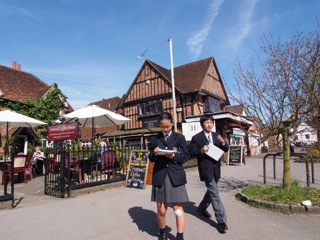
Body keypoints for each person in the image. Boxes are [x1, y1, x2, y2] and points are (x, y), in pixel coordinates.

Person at [148, 112, 190, 240]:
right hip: (160, 174)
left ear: (172, 123)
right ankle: (162, 232)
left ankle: (180, 236)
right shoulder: (155, 139)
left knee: (177, 207)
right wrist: (155, 153)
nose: (165, 129)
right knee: (161, 209)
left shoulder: (179, 138)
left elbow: (185, 156)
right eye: (162, 127)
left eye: (167, 126)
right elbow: (150, 157)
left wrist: (174, 156)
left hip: (175, 175)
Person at [188, 115, 229, 233]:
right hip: (206, 169)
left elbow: (226, 149)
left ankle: (201, 208)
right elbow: (191, 152)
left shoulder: (217, 135)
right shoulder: (197, 138)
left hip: (217, 168)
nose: (209, 124)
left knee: (211, 191)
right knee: (215, 193)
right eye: (207, 122)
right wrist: (201, 150)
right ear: (202, 124)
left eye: (211, 122)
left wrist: (223, 143)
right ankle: (221, 221)